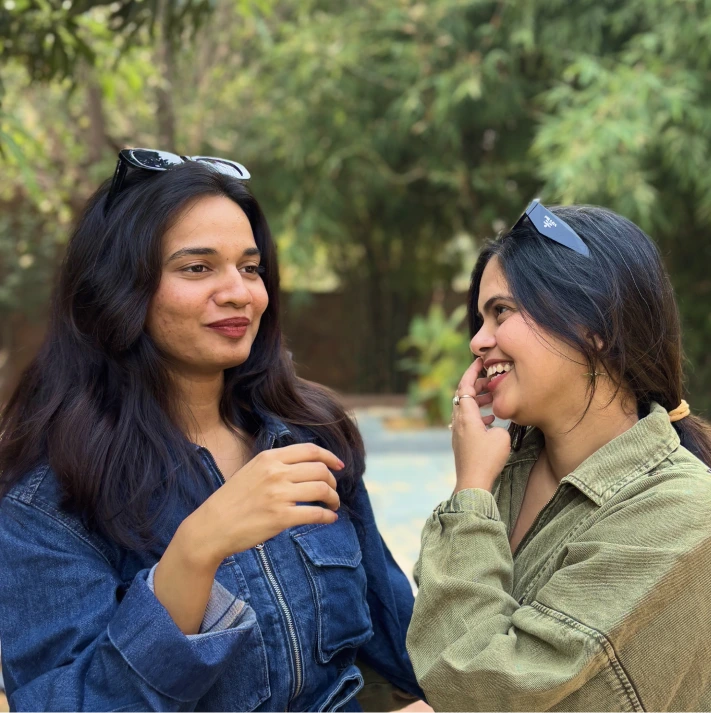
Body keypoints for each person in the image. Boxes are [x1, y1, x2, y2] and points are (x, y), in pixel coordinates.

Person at [0, 149, 421, 712]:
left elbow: (402, 642)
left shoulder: (310, 434)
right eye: (197, 268)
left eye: (250, 268)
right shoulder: (50, 502)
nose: (239, 293)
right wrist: (196, 551)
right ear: (118, 287)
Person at [406, 200, 711, 711]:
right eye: (480, 319)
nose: (478, 341)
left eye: (501, 311)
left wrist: (470, 494)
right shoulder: (510, 469)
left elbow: (480, 693)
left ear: (596, 326)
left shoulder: (682, 511)